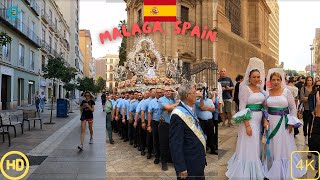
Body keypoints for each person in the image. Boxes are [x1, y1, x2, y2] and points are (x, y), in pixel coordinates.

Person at [226, 58, 268, 179]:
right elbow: (242, 109)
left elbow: (264, 106)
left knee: (256, 146)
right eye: (254, 77)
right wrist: (247, 126)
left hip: (259, 122)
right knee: (249, 146)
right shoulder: (245, 89)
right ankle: (247, 172)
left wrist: (265, 119)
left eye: (258, 77)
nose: (256, 79)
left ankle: (256, 167)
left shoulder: (261, 90)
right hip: (249, 123)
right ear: (249, 77)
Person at [265, 69, 305, 179]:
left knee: (285, 145)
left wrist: (291, 123)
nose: (276, 82)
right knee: (274, 145)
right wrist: (265, 120)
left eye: (278, 79)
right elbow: (265, 109)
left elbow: (293, 108)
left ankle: (285, 170)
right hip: (272, 123)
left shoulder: (286, 92)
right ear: (270, 81)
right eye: (273, 80)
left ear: (281, 80)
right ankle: (273, 168)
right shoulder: (267, 93)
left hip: (284, 123)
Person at [170, 82, 206, 179]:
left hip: (197, 159)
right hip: (189, 163)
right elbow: (175, 143)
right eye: (194, 93)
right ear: (187, 96)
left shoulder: (190, 108)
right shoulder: (177, 114)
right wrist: (181, 167)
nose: (197, 94)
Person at [159, 86, 179, 171]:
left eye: (170, 91)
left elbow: (180, 103)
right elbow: (168, 108)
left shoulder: (173, 99)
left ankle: (171, 160)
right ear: (163, 92)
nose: (168, 92)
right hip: (164, 125)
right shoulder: (161, 100)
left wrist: (175, 91)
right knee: (164, 144)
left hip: (173, 125)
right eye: (166, 91)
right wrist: (173, 106)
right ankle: (164, 162)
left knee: (173, 143)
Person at [308, 80, 320, 179]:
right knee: (316, 142)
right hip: (315, 118)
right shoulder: (313, 95)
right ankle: (317, 164)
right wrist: (314, 112)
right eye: (317, 86)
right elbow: (312, 106)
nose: (318, 88)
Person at [300, 76, 313, 145]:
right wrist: (310, 98)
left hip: (312, 110)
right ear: (306, 81)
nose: (309, 82)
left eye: (310, 80)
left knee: (311, 125)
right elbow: (302, 98)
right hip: (306, 109)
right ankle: (305, 137)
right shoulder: (303, 89)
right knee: (305, 124)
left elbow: (316, 99)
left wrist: (307, 98)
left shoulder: (314, 89)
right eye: (308, 80)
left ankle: (309, 138)